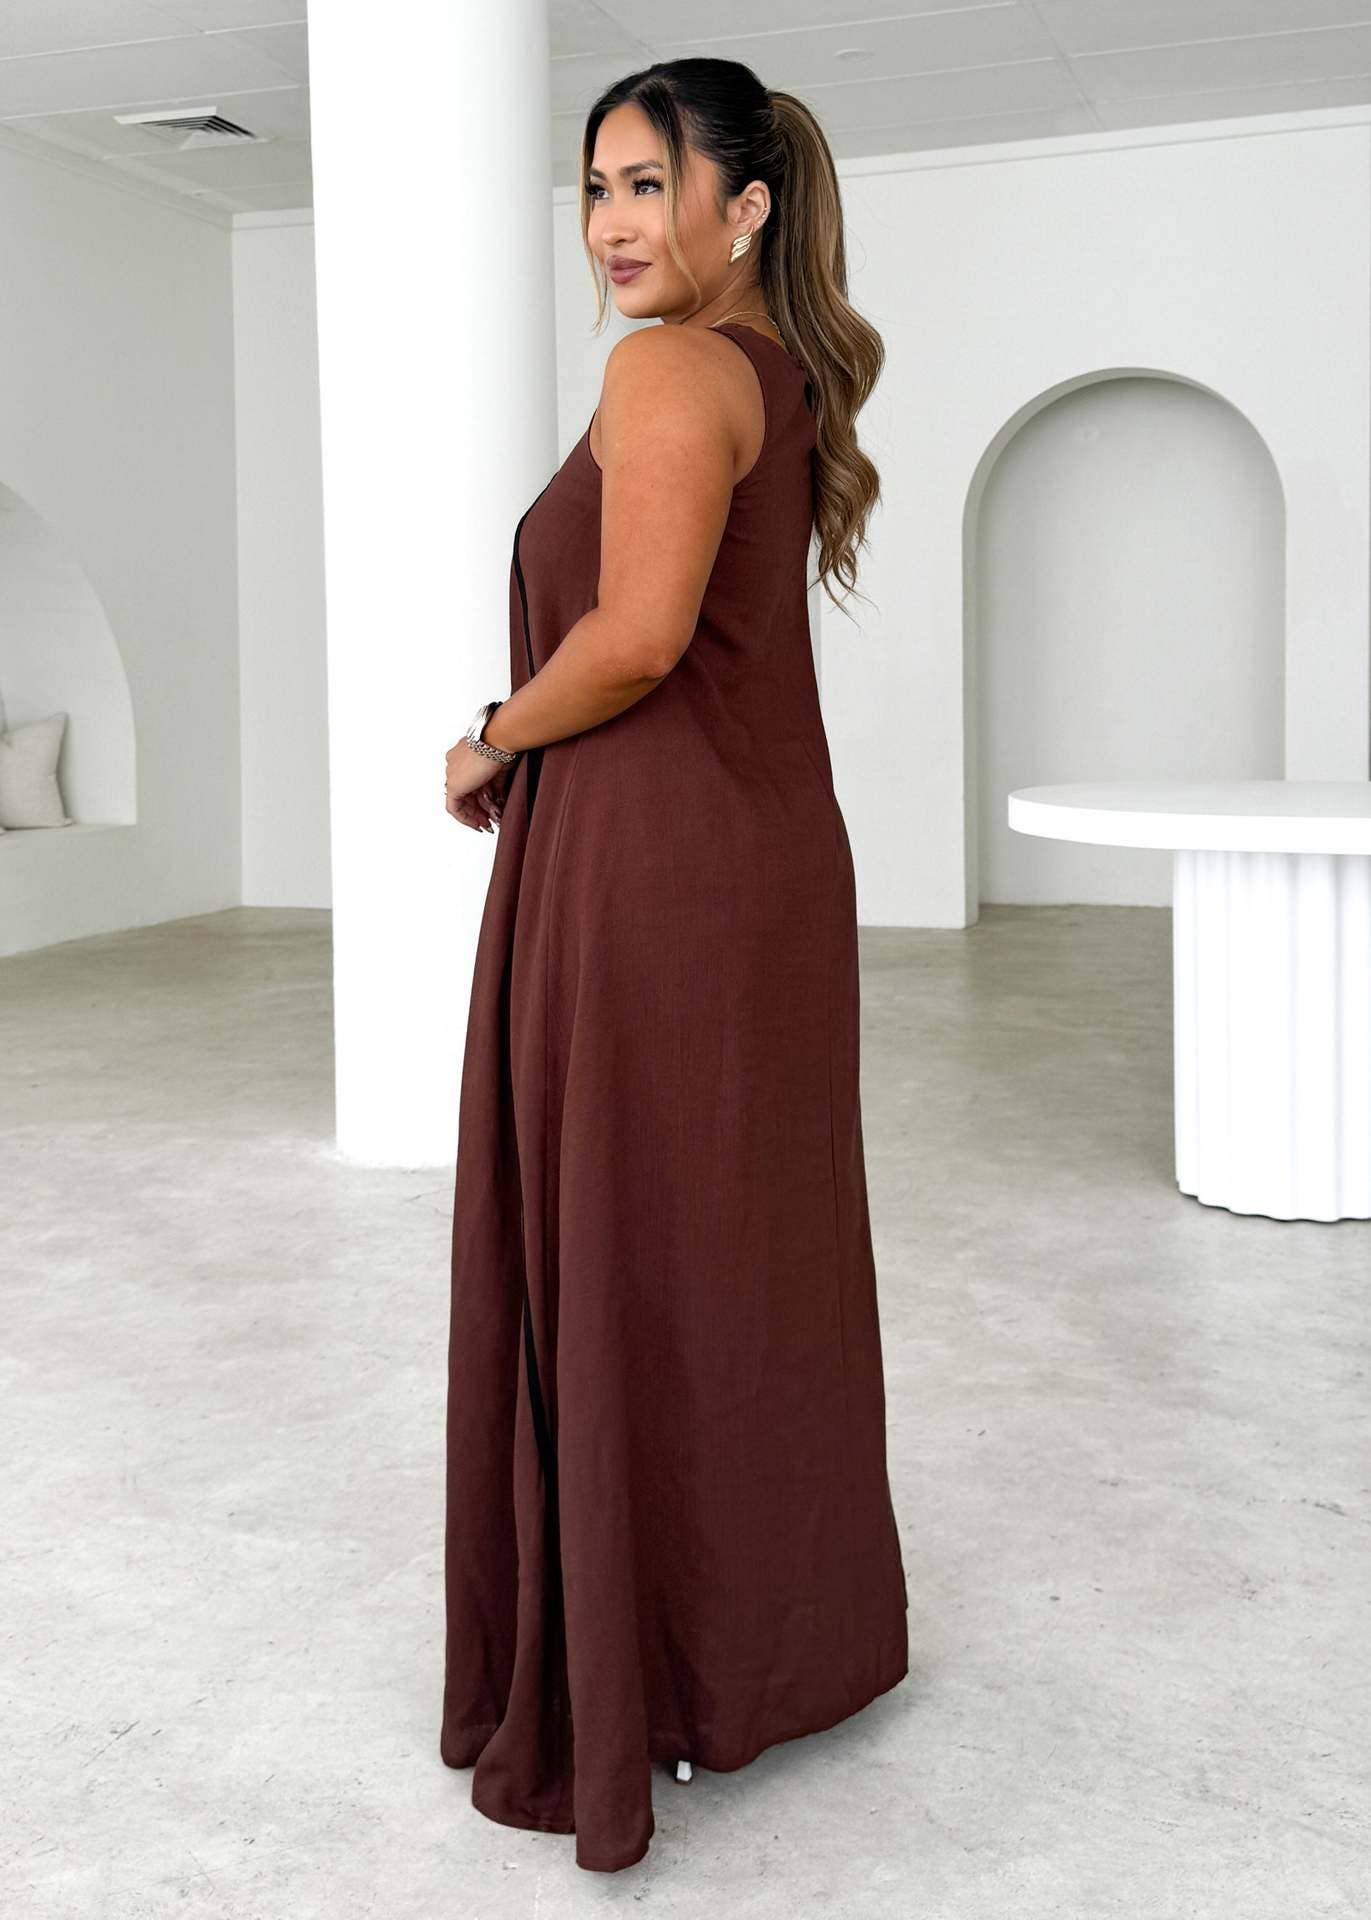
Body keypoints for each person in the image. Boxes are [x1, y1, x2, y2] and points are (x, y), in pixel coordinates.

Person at [439, 57, 907, 1874]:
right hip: (758, 870)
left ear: (746, 204)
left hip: (653, 879)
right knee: (739, 1256)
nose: (613, 226)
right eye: (596, 190)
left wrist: (489, 737)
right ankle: (761, 1650)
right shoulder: (775, 377)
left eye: (648, 184)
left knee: (631, 1249)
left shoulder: (667, 371)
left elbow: (636, 637)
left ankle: (651, 1667)